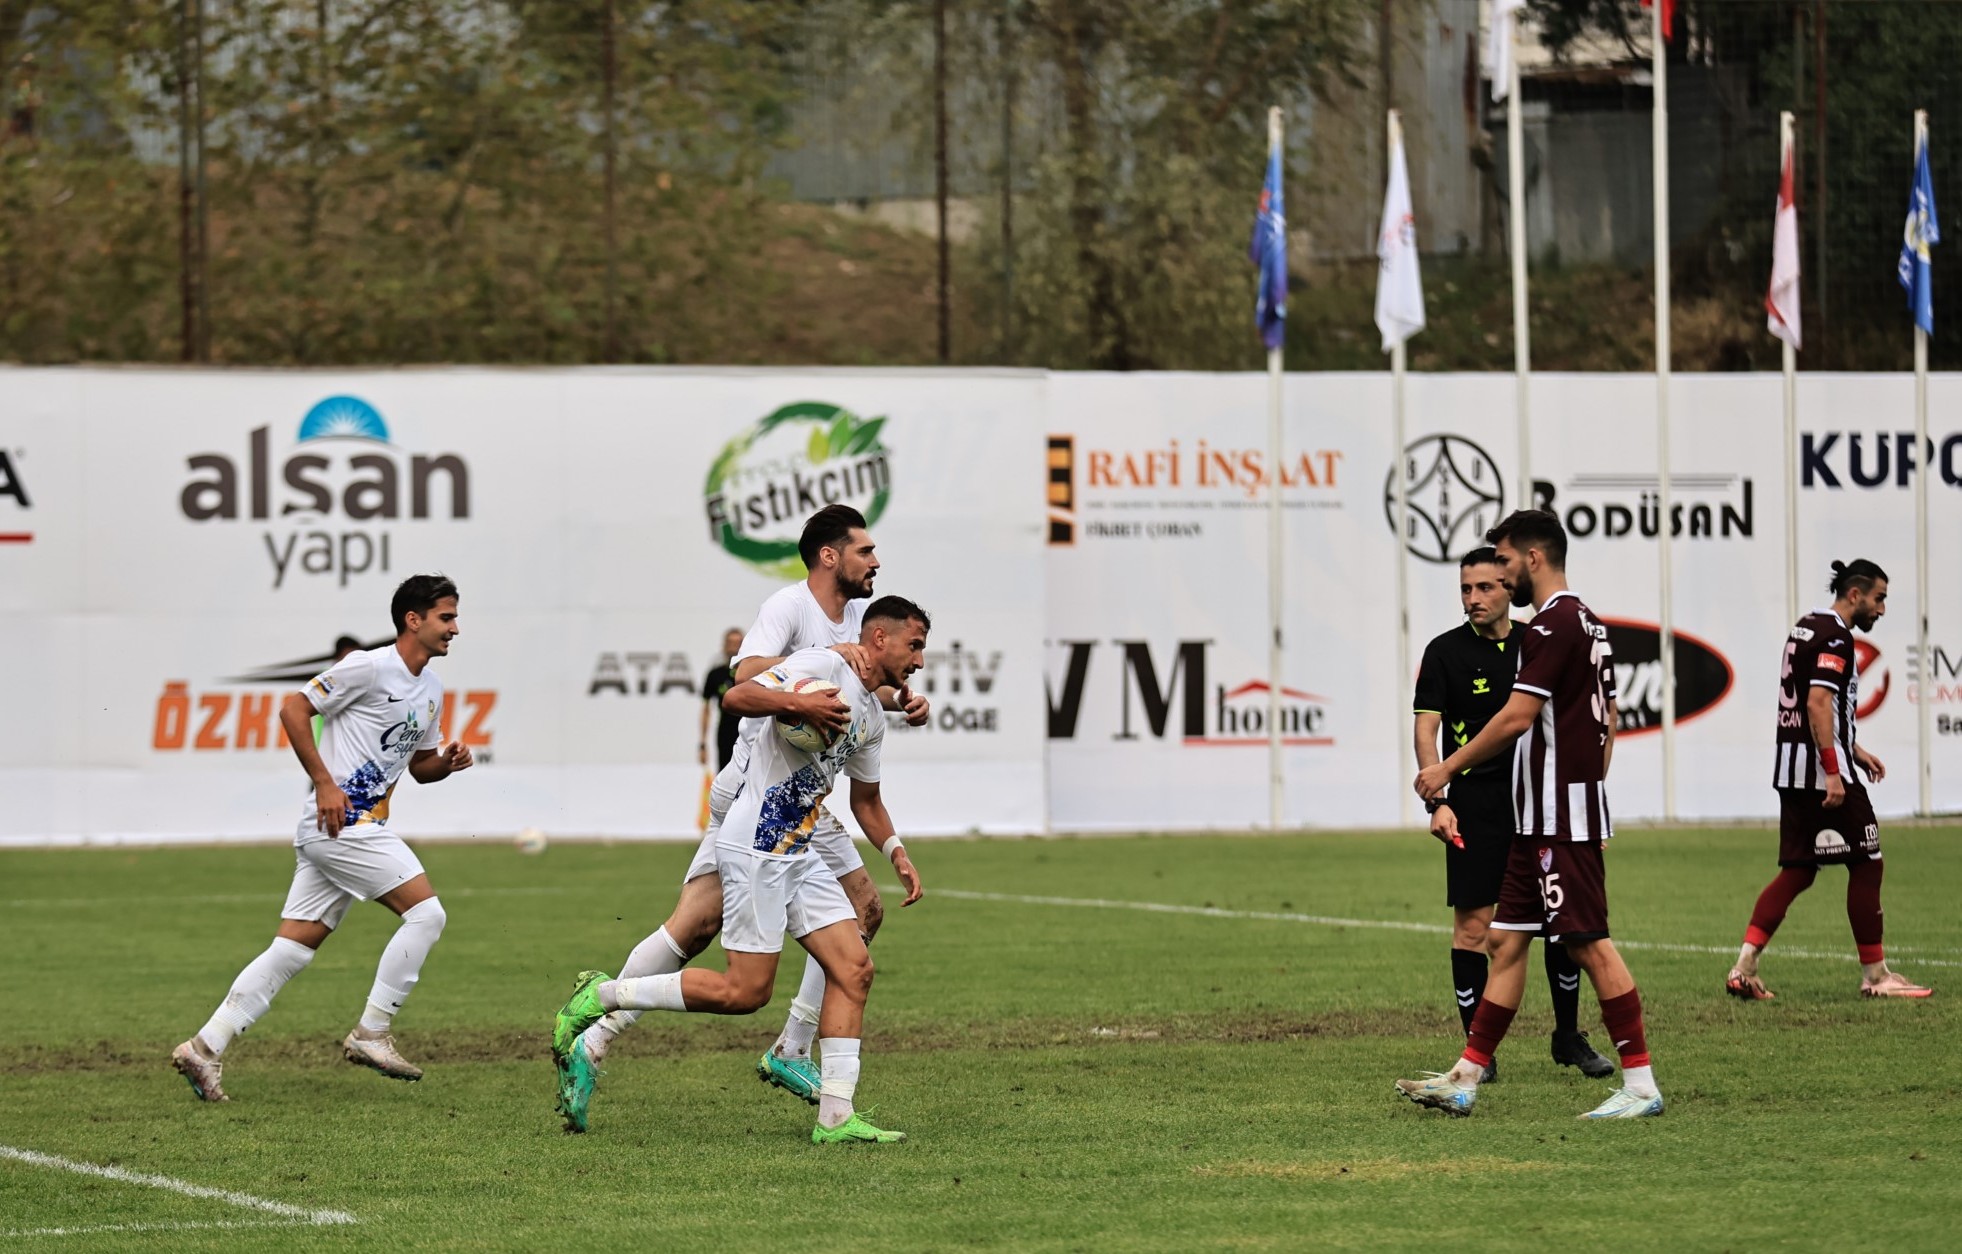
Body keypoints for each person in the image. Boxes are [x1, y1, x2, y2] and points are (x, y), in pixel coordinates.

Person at [555, 504, 927, 1132]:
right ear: (830, 555)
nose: (876, 561)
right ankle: (599, 1018)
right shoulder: (792, 609)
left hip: (801, 812)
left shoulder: (864, 621)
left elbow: (868, 688)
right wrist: (810, 681)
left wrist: (901, 697)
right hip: (756, 796)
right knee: (705, 941)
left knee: (860, 928)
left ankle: (811, 1079)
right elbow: (745, 680)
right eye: (865, 550)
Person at [1398, 510, 1663, 1120]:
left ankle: (1641, 1084)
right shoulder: (1588, 621)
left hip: (1556, 816)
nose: (1499, 573)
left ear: (1533, 558)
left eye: (1505, 560)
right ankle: (1466, 1077)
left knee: (1589, 945)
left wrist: (1444, 770)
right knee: (1505, 941)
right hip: (1536, 816)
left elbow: (1517, 718)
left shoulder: (1550, 625)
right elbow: (1606, 719)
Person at [170, 575, 474, 1101]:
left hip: (346, 828)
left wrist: (446, 763)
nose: (455, 628)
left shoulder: (431, 688)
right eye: (446, 617)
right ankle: (372, 1032)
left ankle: (204, 1047)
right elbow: (293, 709)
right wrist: (325, 783)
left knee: (292, 948)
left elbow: (421, 766)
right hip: (342, 823)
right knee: (427, 915)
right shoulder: (368, 666)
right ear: (414, 620)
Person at [1414, 548, 1612, 1082]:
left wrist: (1588, 803)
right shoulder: (1443, 652)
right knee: (1473, 928)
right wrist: (1439, 801)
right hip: (1474, 804)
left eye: (1484, 587)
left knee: (1561, 922)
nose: (1473, 598)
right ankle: (1479, 1053)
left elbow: (1593, 722)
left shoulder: (1537, 642)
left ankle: (1568, 1036)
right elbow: (1426, 730)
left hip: (1539, 798)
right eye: (1465, 589)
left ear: (1508, 587)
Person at [1726, 559, 1931, 1001]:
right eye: (1878, 599)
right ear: (1855, 594)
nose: (1882, 609)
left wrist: (1853, 747)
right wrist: (1835, 771)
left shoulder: (1806, 627)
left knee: (1799, 871)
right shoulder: (1836, 637)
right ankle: (1876, 976)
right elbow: (1818, 702)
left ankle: (1744, 966)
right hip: (1821, 774)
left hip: (1793, 769)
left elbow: (1813, 705)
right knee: (1868, 862)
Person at [699, 628, 745, 771]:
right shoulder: (715, 674)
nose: (734, 648)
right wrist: (703, 744)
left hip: (748, 730)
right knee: (725, 771)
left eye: (738, 643)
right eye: (730, 643)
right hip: (725, 731)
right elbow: (706, 709)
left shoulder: (751, 674)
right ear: (724, 645)